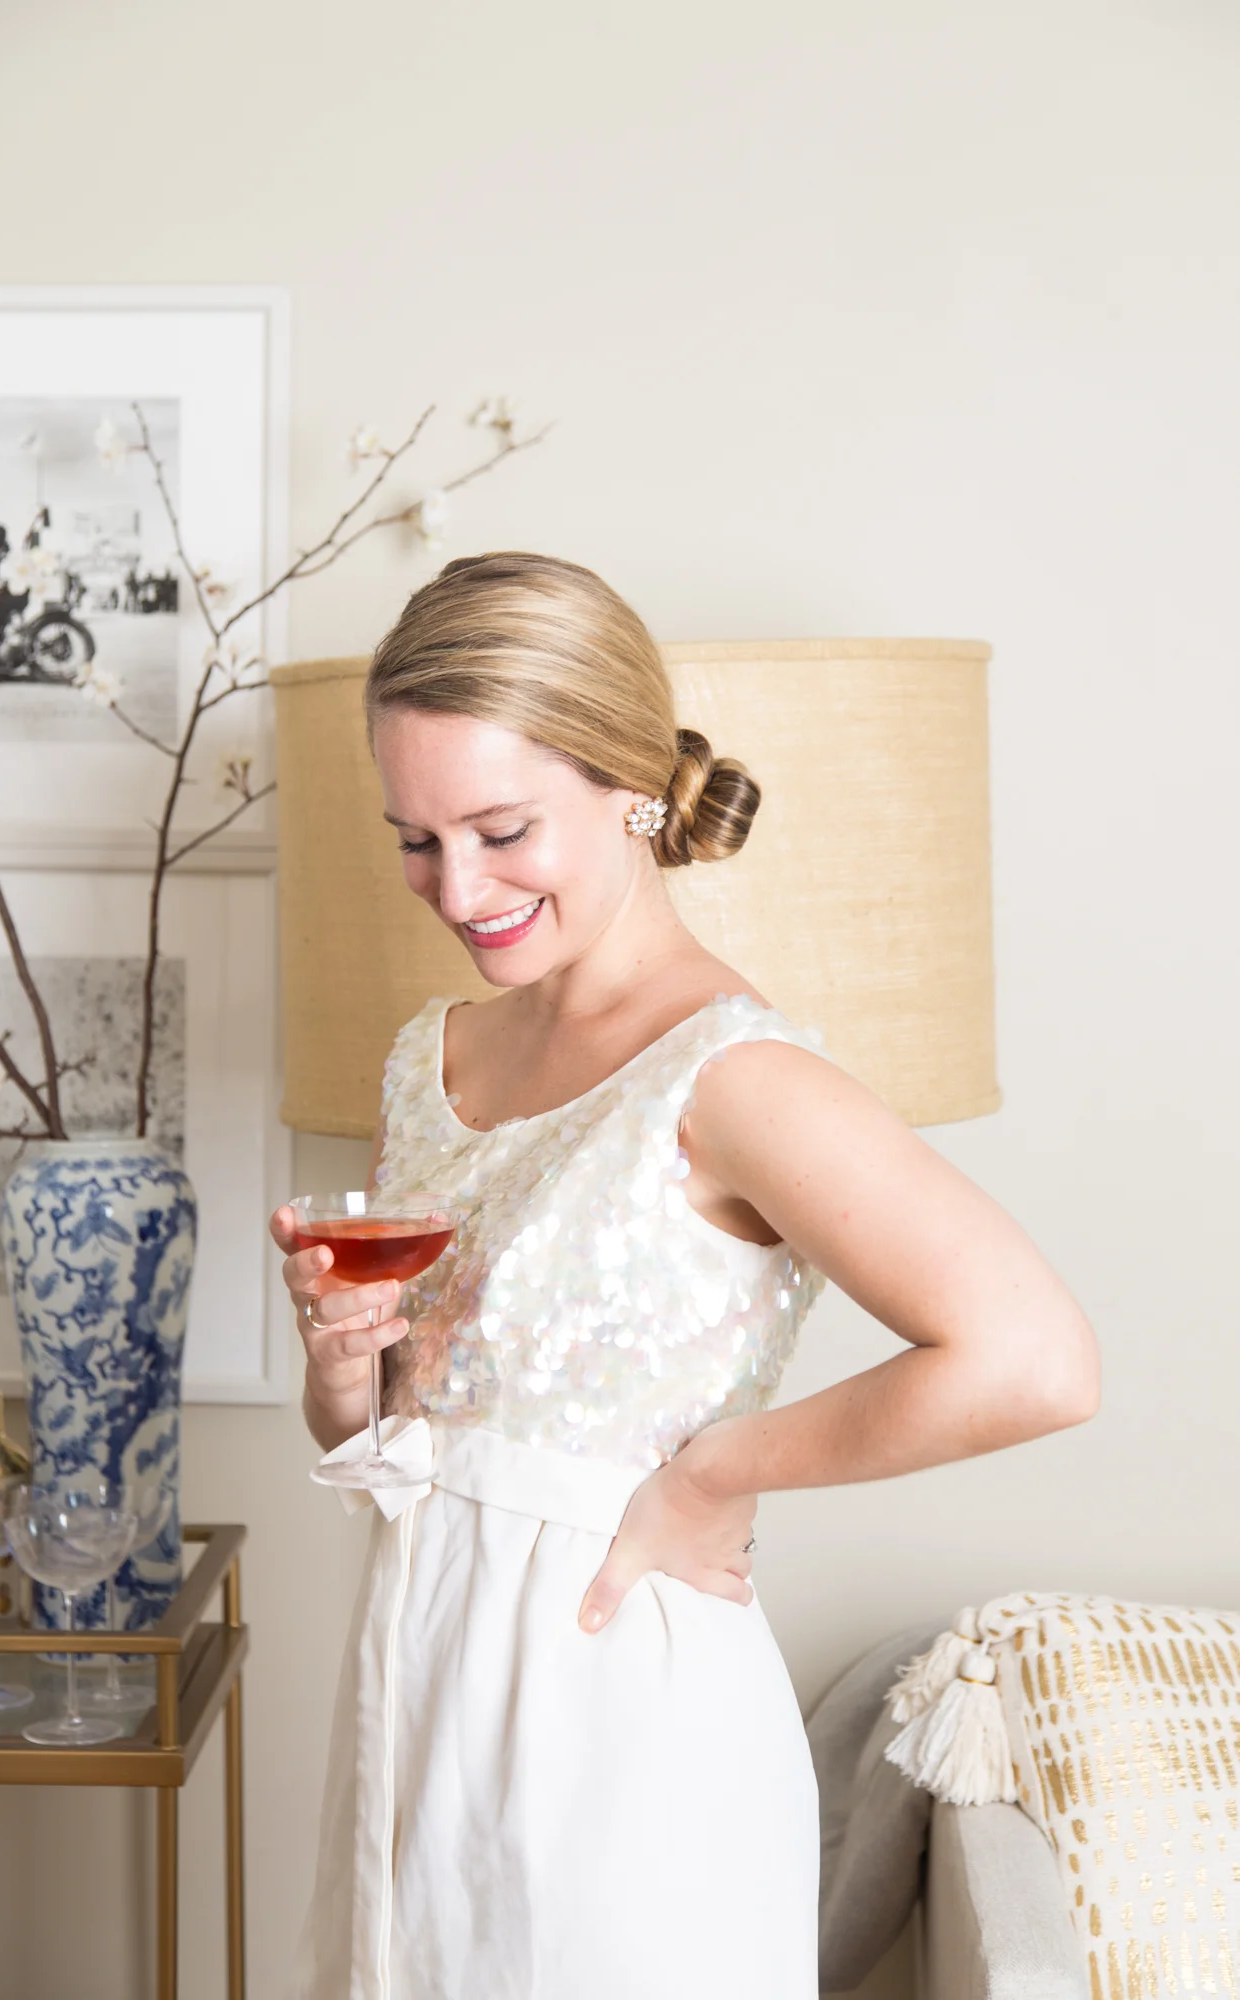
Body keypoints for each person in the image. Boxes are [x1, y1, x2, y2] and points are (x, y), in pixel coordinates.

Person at [271, 552, 1099, 2000]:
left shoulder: (736, 1076)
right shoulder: (428, 1059)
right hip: (415, 1689)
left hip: (618, 1720)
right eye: (416, 839)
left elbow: (1035, 1358)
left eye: (502, 830)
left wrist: (720, 1472)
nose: (457, 889)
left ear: (633, 790)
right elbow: (411, 1425)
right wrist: (347, 1375)